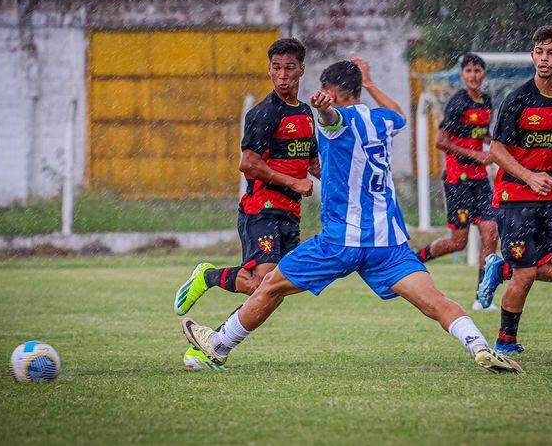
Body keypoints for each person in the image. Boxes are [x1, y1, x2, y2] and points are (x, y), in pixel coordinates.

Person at [180, 54, 522, 374]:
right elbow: (399, 113)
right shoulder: (382, 121)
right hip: (387, 244)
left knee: (270, 286)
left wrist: (325, 110)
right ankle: (478, 345)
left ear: (330, 93)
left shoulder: (336, 120)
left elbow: (331, 120)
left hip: (340, 241)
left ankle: (219, 345)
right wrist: (370, 82)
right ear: (360, 90)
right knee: (434, 301)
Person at [173, 37, 318, 321]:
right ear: (269, 69)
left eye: (289, 68)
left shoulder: (305, 112)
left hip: (291, 212)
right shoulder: (264, 113)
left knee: (289, 284)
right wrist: (293, 182)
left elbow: (313, 163)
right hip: (261, 209)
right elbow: (248, 163)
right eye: (276, 68)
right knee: (263, 285)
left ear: (301, 69)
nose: (283, 75)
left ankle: (215, 339)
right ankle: (209, 279)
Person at [477, 24, 552, 355]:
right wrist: (529, 176)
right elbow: (495, 150)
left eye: (551, 52)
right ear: (532, 55)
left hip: (548, 200)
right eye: (539, 52)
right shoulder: (518, 100)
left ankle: (502, 267)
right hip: (514, 199)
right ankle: (505, 342)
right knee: (524, 276)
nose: (544, 58)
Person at [415, 53, 500, 311]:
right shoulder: (457, 102)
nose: (473, 75)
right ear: (462, 75)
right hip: (458, 180)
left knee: (491, 232)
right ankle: (412, 260)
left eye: (477, 70)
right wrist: (475, 154)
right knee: (458, 242)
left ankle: (482, 298)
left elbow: (481, 133)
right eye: (469, 71)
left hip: (480, 180)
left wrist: (495, 144)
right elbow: (441, 141)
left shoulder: (486, 100)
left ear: (483, 74)